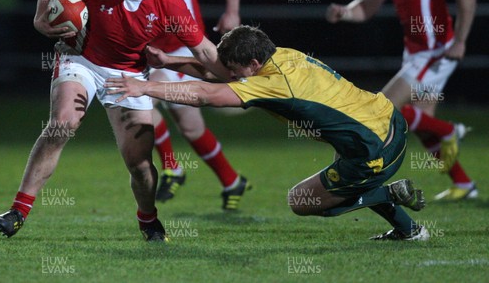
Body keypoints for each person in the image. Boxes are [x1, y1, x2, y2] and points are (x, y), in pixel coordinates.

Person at [0, 0, 230, 242]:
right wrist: (41, 21)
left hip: (128, 77)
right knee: (63, 123)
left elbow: (206, 53)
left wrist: (236, 75)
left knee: (141, 166)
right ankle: (17, 212)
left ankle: (148, 219)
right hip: (80, 59)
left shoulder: (169, 2)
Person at [105, 25, 429, 241]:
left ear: (254, 63)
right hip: (388, 121)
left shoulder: (273, 85)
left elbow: (206, 93)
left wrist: (145, 86)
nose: (231, 75)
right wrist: (170, 61)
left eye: (235, 71)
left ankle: (388, 193)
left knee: (301, 200)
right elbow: (216, 73)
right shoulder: (284, 55)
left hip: (374, 150)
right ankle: (409, 230)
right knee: (347, 172)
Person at [326, 0, 477, 201]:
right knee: (419, 123)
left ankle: (447, 130)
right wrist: (346, 11)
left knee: (382, 109)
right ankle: (463, 183)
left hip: (436, 52)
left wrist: (460, 41)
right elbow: (366, 8)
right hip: (416, 52)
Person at [118, 0, 247, 209]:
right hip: (150, 52)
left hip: (183, 48)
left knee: (143, 101)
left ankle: (173, 167)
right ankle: (232, 181)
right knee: (189, 127)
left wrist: (232, 11)